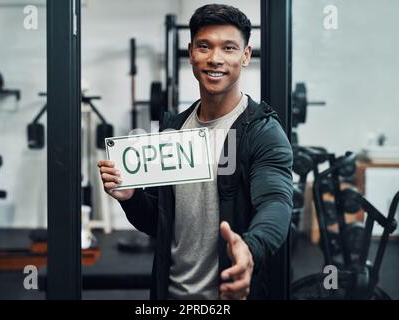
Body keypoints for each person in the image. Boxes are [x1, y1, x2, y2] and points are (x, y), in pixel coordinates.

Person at [98, 4, 293, 300]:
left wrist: (250, 247)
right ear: (191, 52)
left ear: (245, 55)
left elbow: (276, 202)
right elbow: (161, 223)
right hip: (170, 294)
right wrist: (132, 197)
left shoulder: (262, 131)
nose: (215, 59)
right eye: (205, 46)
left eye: (228, 48)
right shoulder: (174, 131)